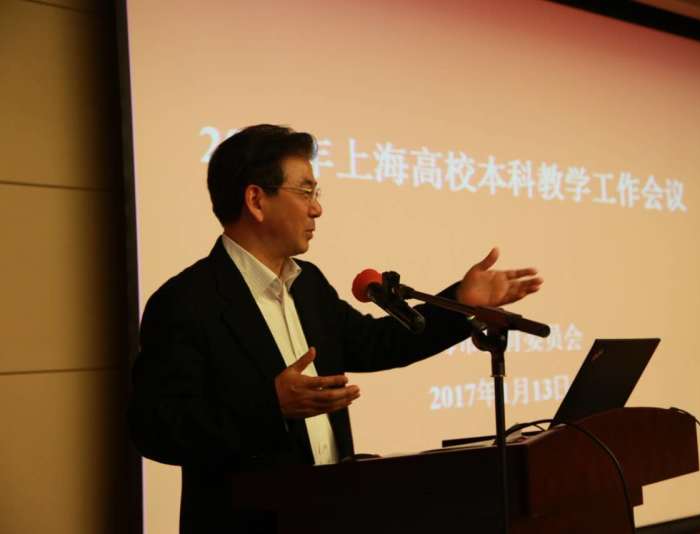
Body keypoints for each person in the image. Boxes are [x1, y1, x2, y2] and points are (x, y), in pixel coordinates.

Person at [128, 124, 543, 533]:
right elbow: (156, 429)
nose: (317, 209)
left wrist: (461, 302)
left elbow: (378, 343)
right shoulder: (186, 301)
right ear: (256, 200)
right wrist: (269, 404)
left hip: (330, 515)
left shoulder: (308, 284)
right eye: (305, 191)